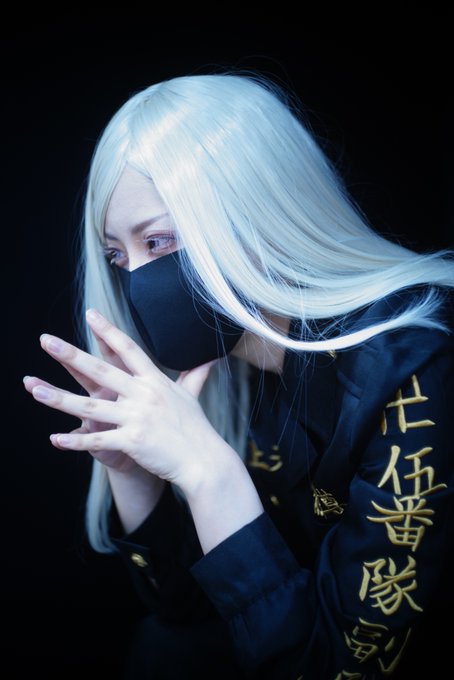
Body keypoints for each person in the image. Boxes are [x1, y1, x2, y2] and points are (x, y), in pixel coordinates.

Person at [24, 72, 453, 679]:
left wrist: (209, 473)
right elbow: (192, 612)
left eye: (160, 242)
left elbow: (334, 668)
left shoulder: (418, 364)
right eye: (118, 256)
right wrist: (131, 472)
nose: (137, 281)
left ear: (260, 214)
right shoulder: (229, 365)